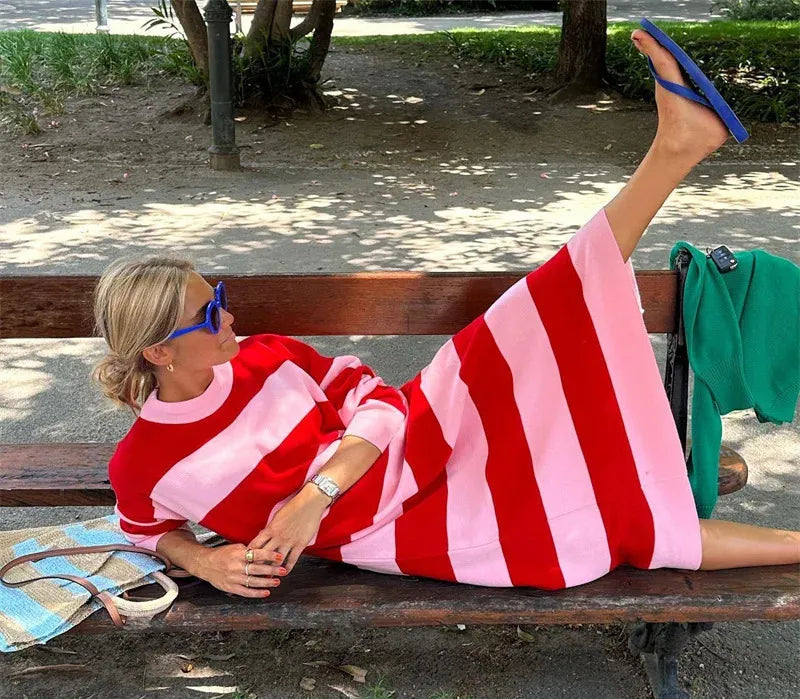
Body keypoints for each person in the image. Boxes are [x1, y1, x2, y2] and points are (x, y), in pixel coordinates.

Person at [92, 29, 800, 599]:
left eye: (217, 297)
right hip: (405, 526)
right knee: (607, 524)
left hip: (424, 429)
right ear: (158, 352)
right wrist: (207, 562)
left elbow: (380, 405)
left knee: (539, 309)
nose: (227, 315)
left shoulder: (267, 355)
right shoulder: (145, 462)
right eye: (207, 314)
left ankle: (674, 150)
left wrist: (313, 496)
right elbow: (144, 529)